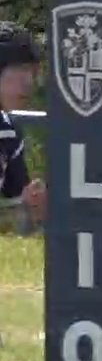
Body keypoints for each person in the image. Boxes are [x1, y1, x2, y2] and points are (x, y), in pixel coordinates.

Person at [0, 21, 47, 234]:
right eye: (20, 70)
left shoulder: (9, 130)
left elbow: (18, 231)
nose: (29, 82)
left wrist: (32, 207)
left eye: (32, 72)